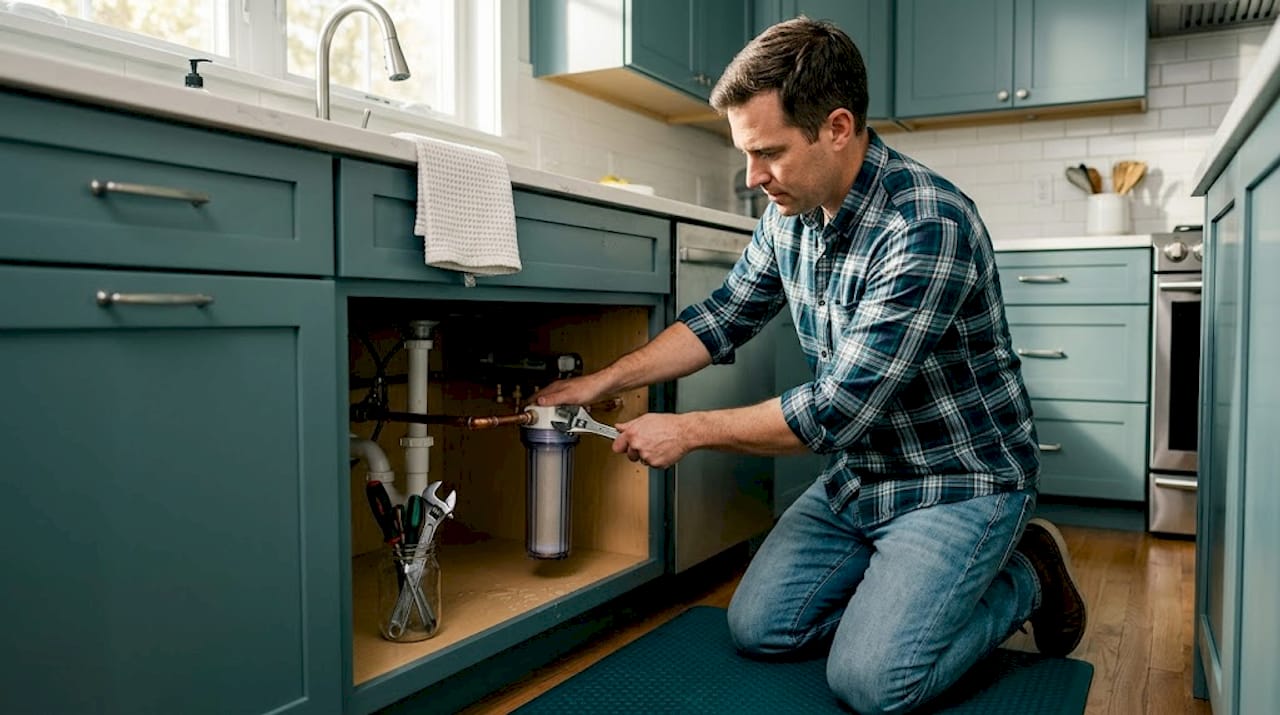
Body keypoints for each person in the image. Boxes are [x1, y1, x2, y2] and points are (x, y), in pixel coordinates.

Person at [534, 16, 1086, 714]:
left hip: (958, 480)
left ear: (836, 127)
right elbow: (724, 316)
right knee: (758, 628)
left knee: (872, 682)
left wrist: (687, 429)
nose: (752, 177)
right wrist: (602, 380)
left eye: (768, 152)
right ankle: (904, 592)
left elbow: (834, 411)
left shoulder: (924, 225)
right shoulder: (788, 214)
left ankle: (1025, 575)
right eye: (745, 153)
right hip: (862, 476)